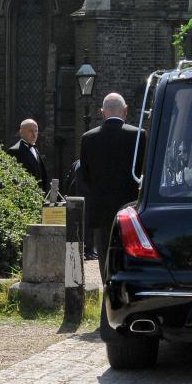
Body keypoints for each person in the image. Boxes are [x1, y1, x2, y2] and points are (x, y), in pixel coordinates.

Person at [80, 92, 145, 282]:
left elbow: (84, 176)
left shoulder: (88, 138)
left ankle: (106, 294)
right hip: (130, 208)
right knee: (129, 255)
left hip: (101, 210)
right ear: (125, 111)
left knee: (104, 258)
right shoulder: (139, 135)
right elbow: (143, 173)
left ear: (102, 112)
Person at [64, 159, 97, 260]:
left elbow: (69, 181)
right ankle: (88, 250)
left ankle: (87, 250)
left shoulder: (76, 163)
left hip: (76, 199)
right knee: (86, 225)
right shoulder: (85, 164)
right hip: (84, 198)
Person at [7, 118, 50, 193]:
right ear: (21, 132)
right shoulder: (14, 151)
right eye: (30, 131)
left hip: (39, 196)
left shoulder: (35, 149)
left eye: (36, 131)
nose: (34, 134)